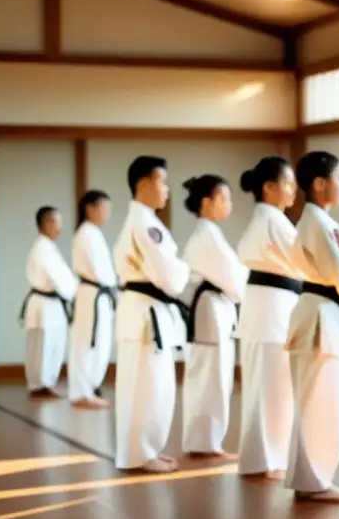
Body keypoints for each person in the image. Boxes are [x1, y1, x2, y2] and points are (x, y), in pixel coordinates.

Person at [283, 151, 339, 504]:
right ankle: (313, 480)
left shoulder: (316, 221)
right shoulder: (320, 223)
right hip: (321, 313)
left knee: (321, 399)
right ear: (320, 184)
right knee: (320, 400)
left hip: (319, 310)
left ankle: (313, 478)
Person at [112, 155, 191, 473]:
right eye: (163, 181)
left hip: (145, 311)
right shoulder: (144, 223)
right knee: (145, 386)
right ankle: (139, 454)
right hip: (145, 313)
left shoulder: (144, 221)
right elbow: (169, 276)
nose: (167, 189)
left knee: (149, 385)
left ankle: (144, 451)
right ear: (144, 184)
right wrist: (183, 269)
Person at [235, 155, 302, 480]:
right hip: (270, 310)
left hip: (268, 307)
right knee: (269, 386)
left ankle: (265, 457)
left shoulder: (269, 219)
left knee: (269, 386)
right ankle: (264, 459)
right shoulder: (272, 220)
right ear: (269, 188)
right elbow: (304, 261)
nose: (293, 190)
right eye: (287, 184)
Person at [180, 175, 248, 457]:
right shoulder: (205, 236)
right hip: (210, 310)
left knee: (215, 377)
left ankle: (207, 440)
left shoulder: (209, 233)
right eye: (224, 198)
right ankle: (203, 441)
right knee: (209, 376)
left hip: (217, 307)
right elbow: (233, 276)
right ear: (207, 202)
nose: (229, 204)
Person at [67, 190, 117, 409]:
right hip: (92, 294)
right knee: (87, 343)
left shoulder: (93, 233)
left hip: (100, 294)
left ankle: (90, 387)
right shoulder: (86, 233)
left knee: (100, 343)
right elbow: (99, 271)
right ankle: (81, 392)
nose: (107, 214)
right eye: (104, 208)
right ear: (90, 208)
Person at [22, 206, 77, 398]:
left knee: (47, 344)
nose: (60, 227)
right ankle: (41, 384)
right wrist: (74, 293)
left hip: (50, 304)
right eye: (56, 222)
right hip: (45, 303)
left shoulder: (47, 247)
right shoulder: (43, 248)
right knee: (44, 344)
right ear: (45, 223)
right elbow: (59, 279)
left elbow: (64, 278)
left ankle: (42, 383)